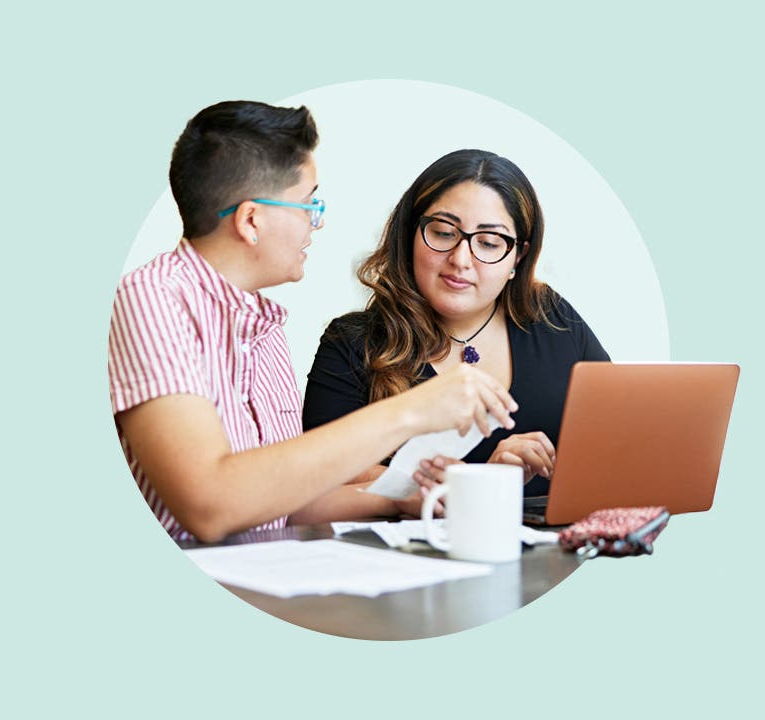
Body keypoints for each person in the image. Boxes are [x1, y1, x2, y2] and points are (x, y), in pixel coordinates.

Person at [108, 102, 518, 543]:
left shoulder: (260, 325)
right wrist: (414, 411)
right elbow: (211, 506)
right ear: (251, 220)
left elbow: (285, 502)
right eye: (308, 204)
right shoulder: (152, 299)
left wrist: (406, 494)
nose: (315, 223)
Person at [302, 149, 610, 496]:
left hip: (554, 545)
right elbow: (317, 477)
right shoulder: (351, 342)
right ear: (410, 235)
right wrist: (476, 483)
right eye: (444, 233)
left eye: (489, 242)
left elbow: (617, 433)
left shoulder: (552, 317)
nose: (460, 260)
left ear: (517, 258)